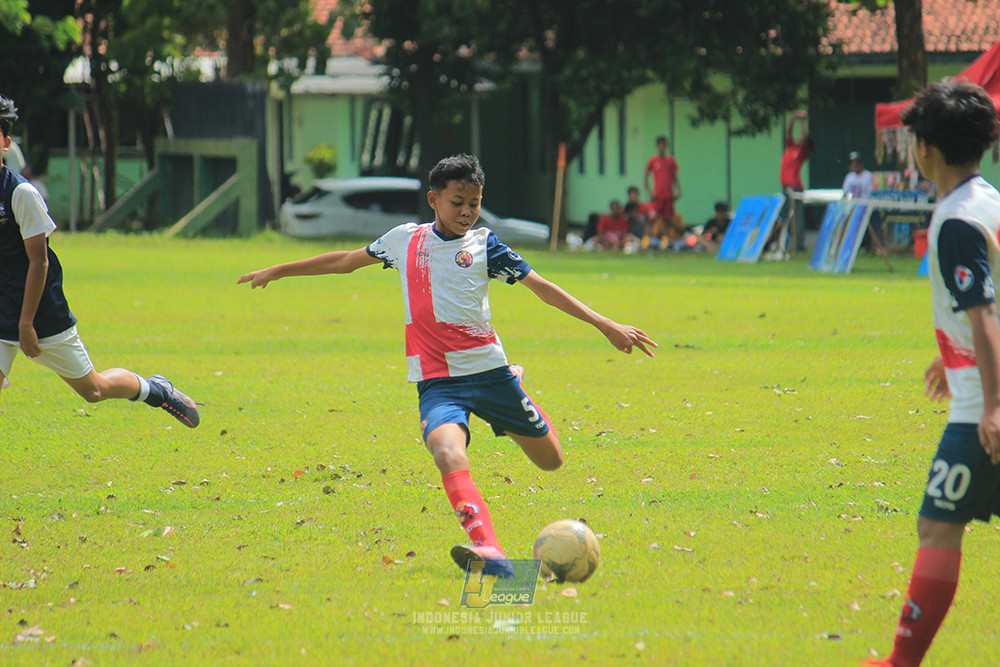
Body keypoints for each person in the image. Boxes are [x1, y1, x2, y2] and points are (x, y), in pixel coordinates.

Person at [238, 154, 657, 575]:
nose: (467, 212)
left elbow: (543, 289)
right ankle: (489, 550)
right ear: (433, 200)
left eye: (474, 203)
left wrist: (605, 324)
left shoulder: (484, 245)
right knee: (446, 452)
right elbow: (345, 261)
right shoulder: (405, 239)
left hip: (490, 375)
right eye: (458, 202)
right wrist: (280, 269)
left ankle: (517, 381)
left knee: (551, 461)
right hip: (438, 382)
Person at [862, 81, 1000, 666]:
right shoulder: (990, 201)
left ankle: (900, 663)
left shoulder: (954, 221)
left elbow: (983, 311)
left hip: (981, 413)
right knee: (938, 525)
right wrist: (952, 357)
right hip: (977, 386)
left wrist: (992, 404)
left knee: (937, 526)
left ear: (925, 149)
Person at [0, 93, 199, 427]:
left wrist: (25, 324)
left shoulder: (21, 193)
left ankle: (156, 390)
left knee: (94, 389)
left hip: (37, 310)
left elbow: (40, 261)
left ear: (6, 143)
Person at [779, 110, 811, 252]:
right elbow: (788, 133)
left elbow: (804, 137)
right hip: (786, 186)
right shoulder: (791, 147)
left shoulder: (802, 152)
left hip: (795, 186)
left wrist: (802, 121)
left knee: (796, 217)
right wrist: (792, 119)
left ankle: (798, 245)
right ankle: (784, 243)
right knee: (785, 216)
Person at [644, 136, 681, 229]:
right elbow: (646, 177)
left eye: (663, 144)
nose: (662, 146)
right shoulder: (653, 160)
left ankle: (665, 240)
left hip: (668, 195)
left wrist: (679, 191)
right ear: (657, 146)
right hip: (657, 195)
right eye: (660, 144)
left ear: (666, 146)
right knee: (652, 217)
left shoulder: (671, 160)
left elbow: (675, 176)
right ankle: (648, 238)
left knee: (668, 218)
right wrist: (650, 192)